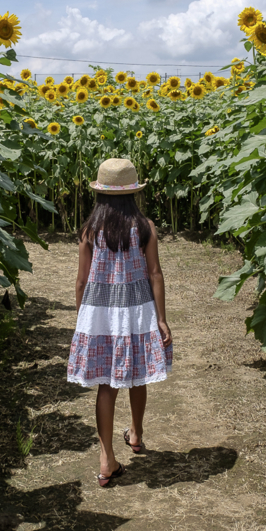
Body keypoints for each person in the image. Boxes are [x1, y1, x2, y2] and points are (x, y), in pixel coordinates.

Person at [67, 158, 173, 488]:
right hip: (137, 310)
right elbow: (155, 273)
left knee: (106, 385)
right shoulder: (145, 228)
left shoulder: (89, 230)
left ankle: (106, 460)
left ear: (100, 195)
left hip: (99, 312)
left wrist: (82, 318)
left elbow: (82, 281)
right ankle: (137, 433)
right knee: (137, 373)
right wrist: (162, 318)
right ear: (132, 195)